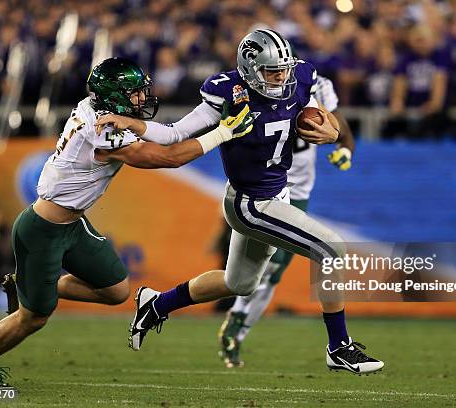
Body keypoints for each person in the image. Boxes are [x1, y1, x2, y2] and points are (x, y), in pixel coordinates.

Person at [97, 29, 384, 375]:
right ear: (249, 70)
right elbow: (174, 134)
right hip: (250, 203)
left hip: (278, 194)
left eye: (284, 70)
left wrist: (333, 133)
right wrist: (134, 123)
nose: (281, 77)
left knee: (239, 284)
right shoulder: (226, 92)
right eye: (272, 71)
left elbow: (319, 115)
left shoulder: (300, 78)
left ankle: (156, 304)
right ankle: (339, 347)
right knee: (332, 248)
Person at [0, 57, 254, 388]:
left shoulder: (96, 108)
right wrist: (222, 134)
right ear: (113, 95)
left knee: (116, 291)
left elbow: (166, 135)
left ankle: (28, 284)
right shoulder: (101, 130)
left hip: (73, 223)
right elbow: (167, 158)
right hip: (42, 228)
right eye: (133, 93)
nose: (141, 99)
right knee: (34, 317)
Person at [217, 74, 355, 368]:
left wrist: (344, 148)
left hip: (298, 189)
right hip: (262, 189)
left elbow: (342, 130)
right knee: (265, 267)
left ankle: (238, 326)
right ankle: (237, 317)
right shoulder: (256, 92)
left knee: (275, 271)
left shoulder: (319, 86)